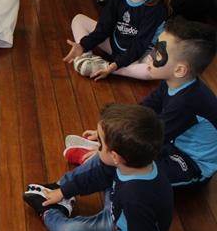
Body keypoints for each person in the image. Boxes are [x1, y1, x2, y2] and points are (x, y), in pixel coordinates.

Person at [24, 103, 173, 231]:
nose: (99, 145)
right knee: (100, 164)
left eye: (101, 144)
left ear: (116, 156)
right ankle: (60, 189)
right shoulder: (137, 163)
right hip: (120, 200)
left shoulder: (136, 198)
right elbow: (101, 175)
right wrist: (65, 190)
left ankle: (49, 210)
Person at [64, 18, 217, 187]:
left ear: (180, 70)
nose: (150, 56)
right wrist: (112, 130)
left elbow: (151, 138)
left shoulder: (187, 103)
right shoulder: (172, 82)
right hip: (169, 143)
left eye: (158, 53)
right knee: (126, 157)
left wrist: (110, 152)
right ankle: (102, 154)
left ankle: (95, 162)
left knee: (129, 168)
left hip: (191, 163)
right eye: (155, 47)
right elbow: (144, 110)